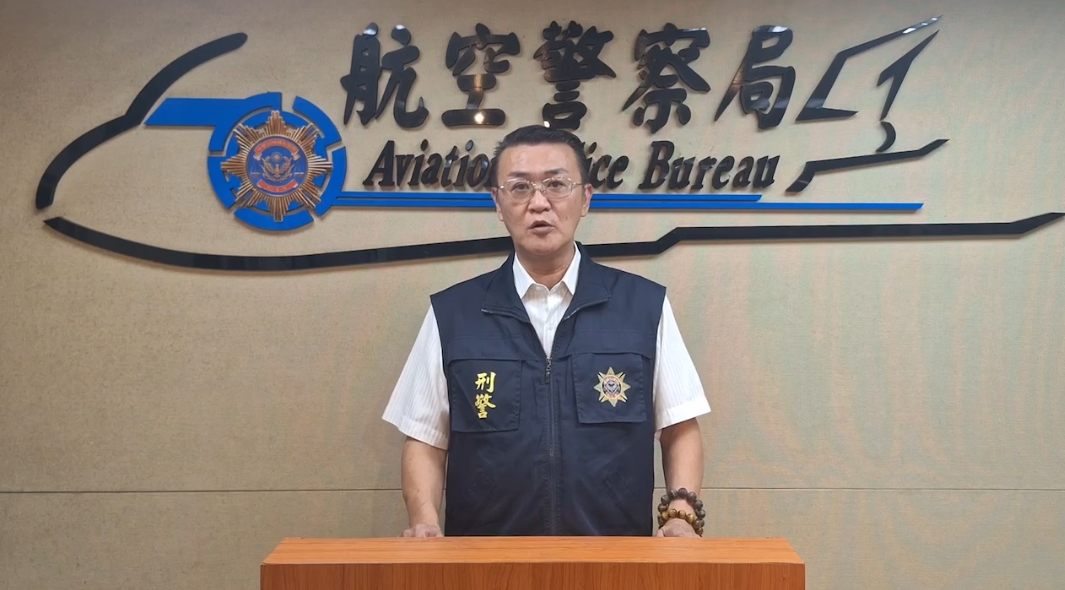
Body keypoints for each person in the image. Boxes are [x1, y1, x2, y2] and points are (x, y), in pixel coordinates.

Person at [381, 125, 711, 538]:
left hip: (616, 558)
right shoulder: (452, 314)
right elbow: (425, 438)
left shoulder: (643, 307)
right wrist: (424, 521)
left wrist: (681, 515)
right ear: (498, 203)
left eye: (556, 184)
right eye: (520, 188)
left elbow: (680, 427)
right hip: (484, 560)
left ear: (585, 198)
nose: (539, 203)